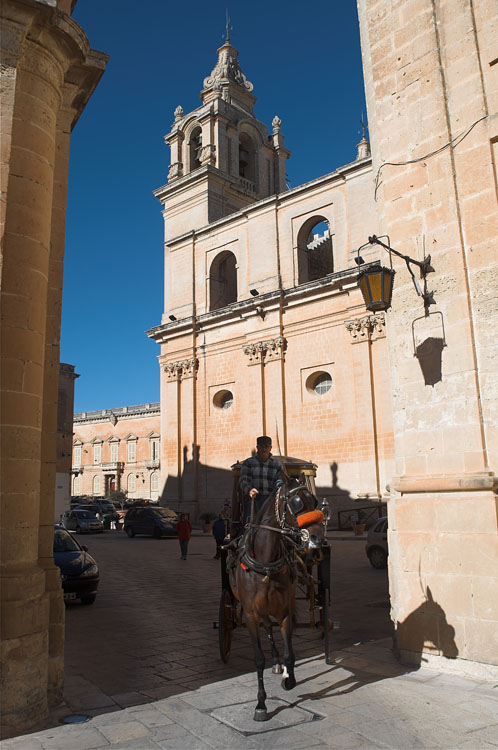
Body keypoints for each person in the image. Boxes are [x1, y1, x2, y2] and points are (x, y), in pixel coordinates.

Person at [238, 435, 285, 528]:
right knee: (249, 526)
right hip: (254, 500)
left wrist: (279, 488)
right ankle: (245, 540)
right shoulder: (248, 463)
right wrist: (249, 490)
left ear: (270, 448)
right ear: (257, 448)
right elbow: (244, 479)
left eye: (267, 446)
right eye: (262, 446)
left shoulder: (277, 465)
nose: (264, 449)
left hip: (271, 501)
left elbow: (280, 480)